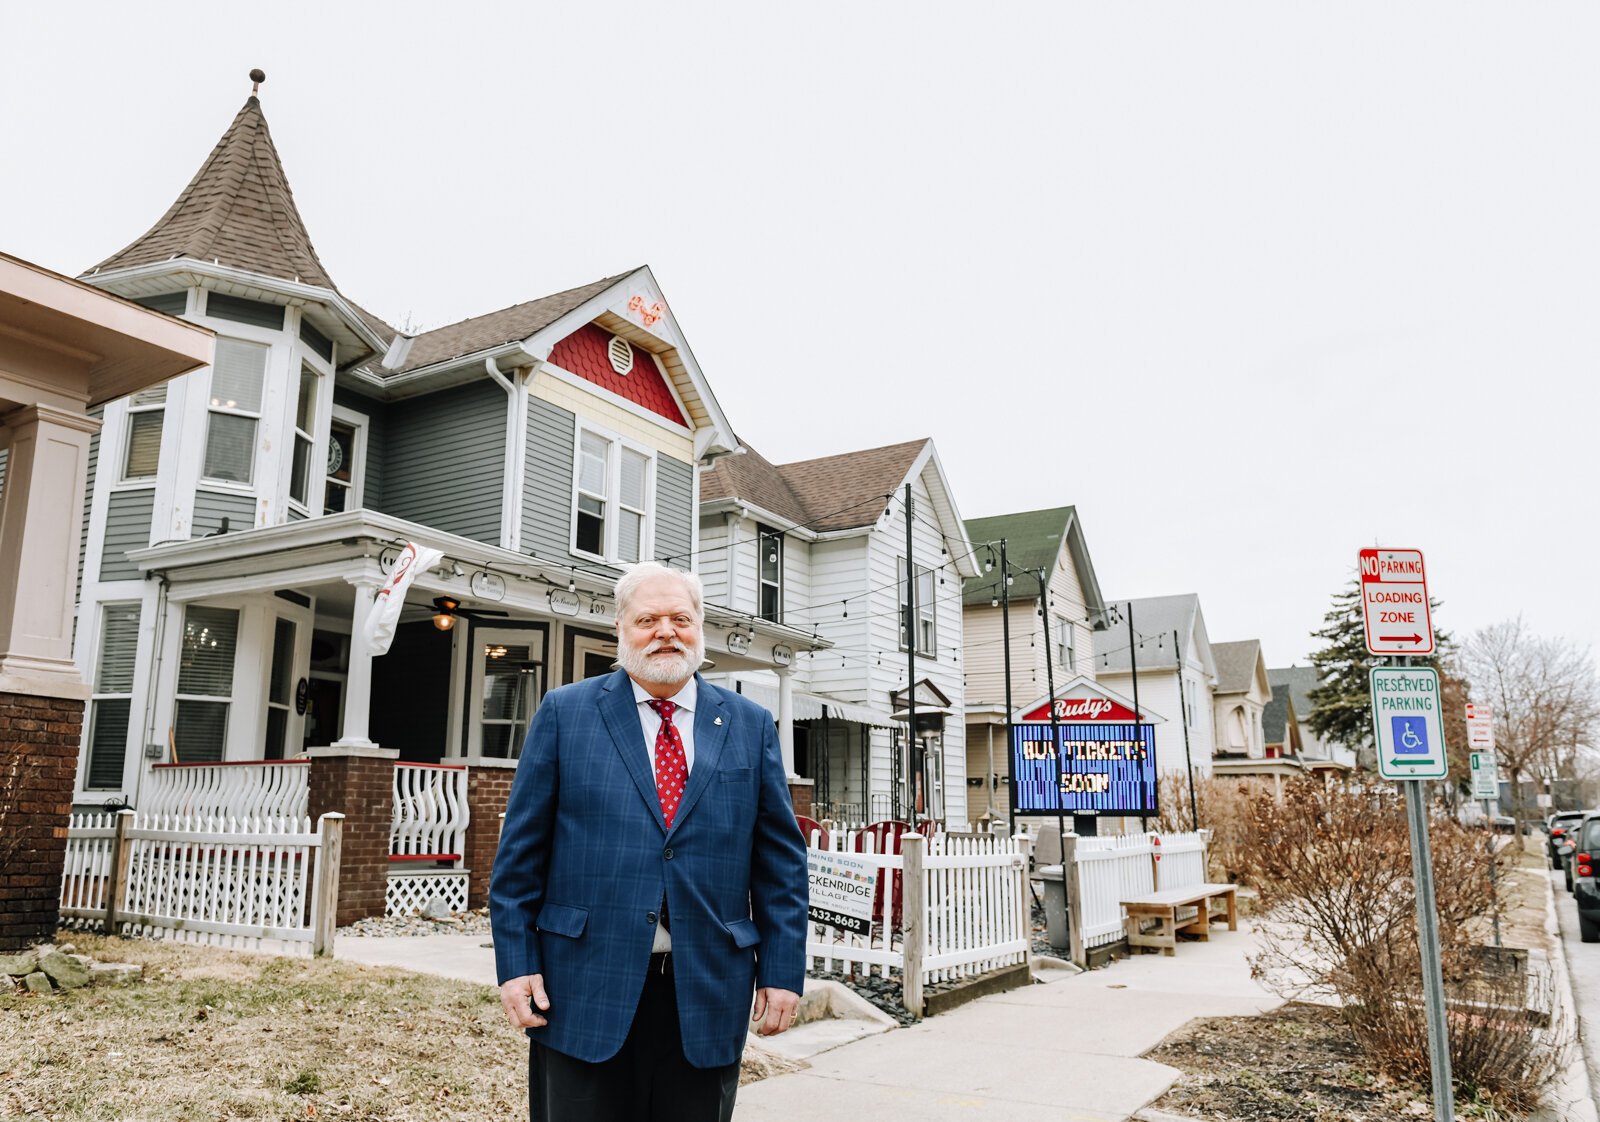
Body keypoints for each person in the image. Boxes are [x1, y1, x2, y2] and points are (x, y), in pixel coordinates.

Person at [490, 561, 809, 1122]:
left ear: (700, 627)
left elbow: (780, 866)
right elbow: (519, 859)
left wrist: (782, 972)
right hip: (581, 985)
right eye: (648, 619)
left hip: (708, 990)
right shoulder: (565, 714)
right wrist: (516, 965)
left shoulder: (750, 724)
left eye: (680, 618)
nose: (666, 631)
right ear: (621, 630)